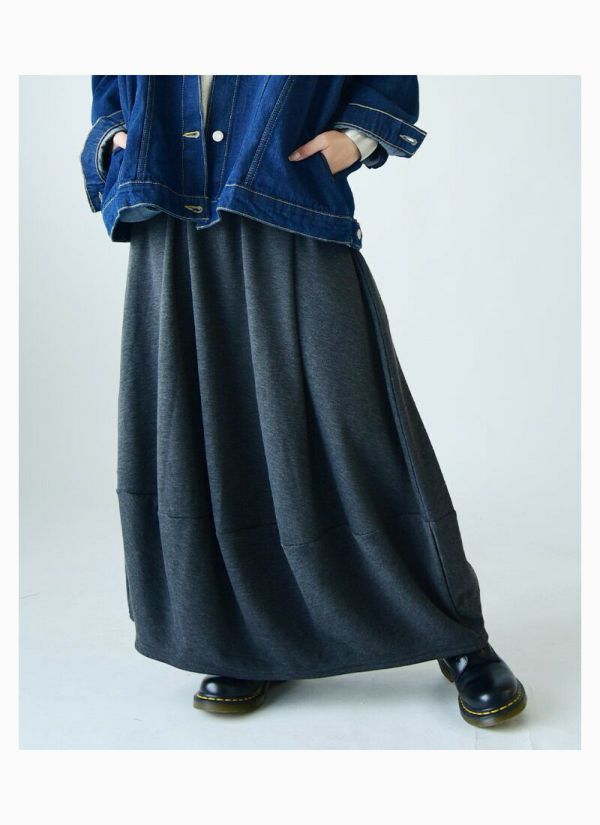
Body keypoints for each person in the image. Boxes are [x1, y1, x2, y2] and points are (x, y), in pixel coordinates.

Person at [80, 75, 527, 727]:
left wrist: (356, 138)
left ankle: (454, 632)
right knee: (211, 430)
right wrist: (118, 137)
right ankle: (243, 637)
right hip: (168, 201)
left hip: (284, 190)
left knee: (355, 421)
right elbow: (110, 76)